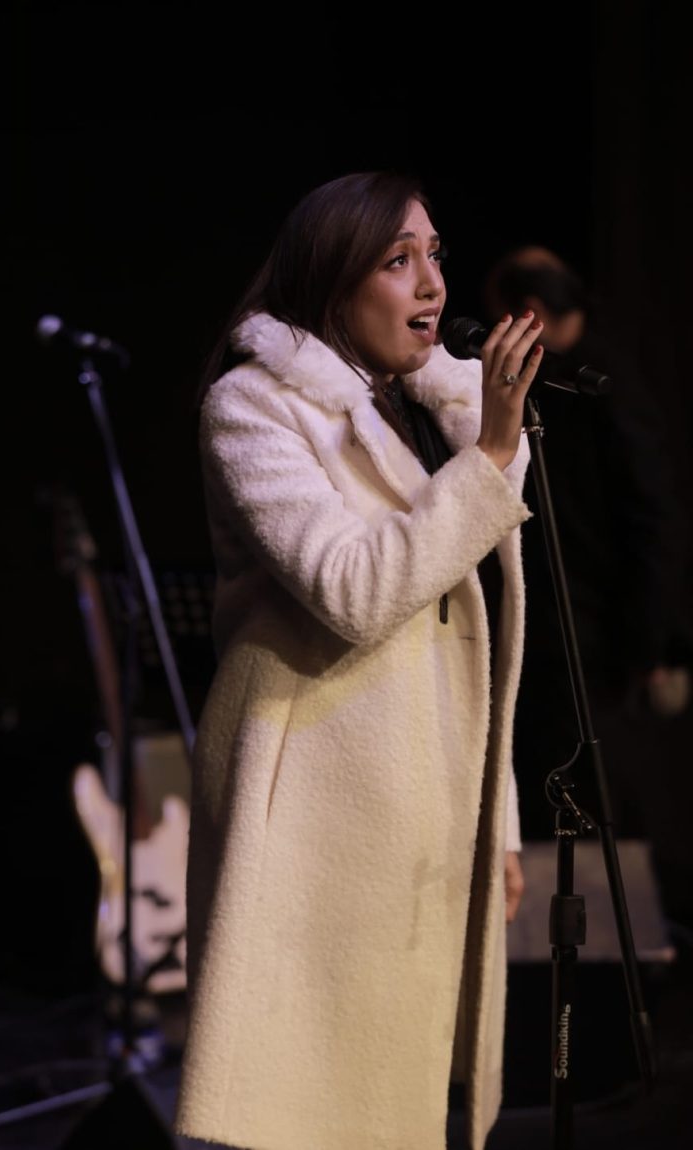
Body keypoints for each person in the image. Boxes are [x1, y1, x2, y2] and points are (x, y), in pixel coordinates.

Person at [174, 170, 545, 1150]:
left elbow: (467, 649)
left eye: (435, 255)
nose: (431, 283)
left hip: (419, 791)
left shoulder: (423, 412)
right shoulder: (253, 409)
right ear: (333, 281)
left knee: (398, 1101)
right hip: (312, 798)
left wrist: (498, 819)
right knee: (307, 1105)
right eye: (396, 260)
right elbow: (353, 591)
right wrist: (488, 458)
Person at [482, 246, 693, 845]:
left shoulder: (599, 383)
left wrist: (649, 645)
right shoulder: (567, 377)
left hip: (601, 643)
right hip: (569, 629)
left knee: (601, 806)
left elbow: (653, 519)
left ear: (529, 310)